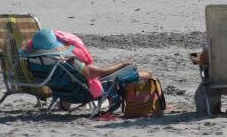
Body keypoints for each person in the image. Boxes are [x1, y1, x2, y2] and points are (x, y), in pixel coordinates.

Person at [21, 29, 152, 110]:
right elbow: (98, 73)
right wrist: (122, 65)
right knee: (144, 74)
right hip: (82, 94)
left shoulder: (34, 62)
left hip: (60, 92)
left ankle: (65, 103)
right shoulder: (69, 62)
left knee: (71, 80)